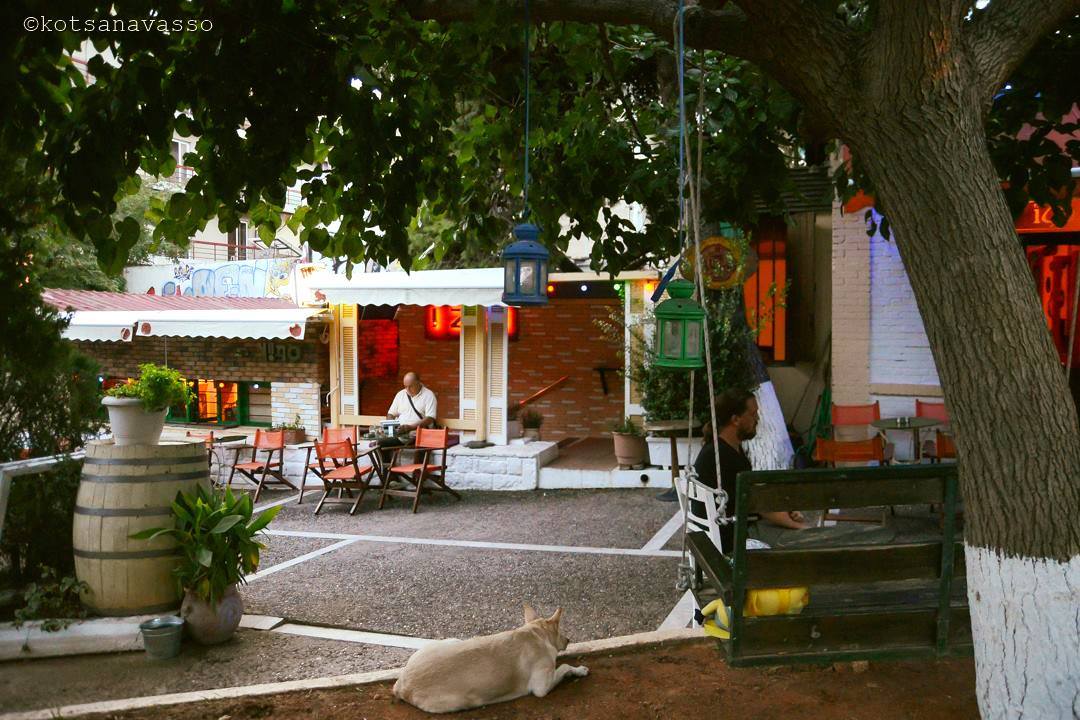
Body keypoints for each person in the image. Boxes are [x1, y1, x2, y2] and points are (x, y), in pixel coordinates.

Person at [692, 388, 809, 550]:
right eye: (753, 414)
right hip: (731, 539)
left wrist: (784, 511)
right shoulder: (724, 456)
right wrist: (799, 526)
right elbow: (759, 505)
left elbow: (754, 497)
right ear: (736, 419)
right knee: (801, 541)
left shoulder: (720, 448)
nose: (757, 419)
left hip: (722, 532)